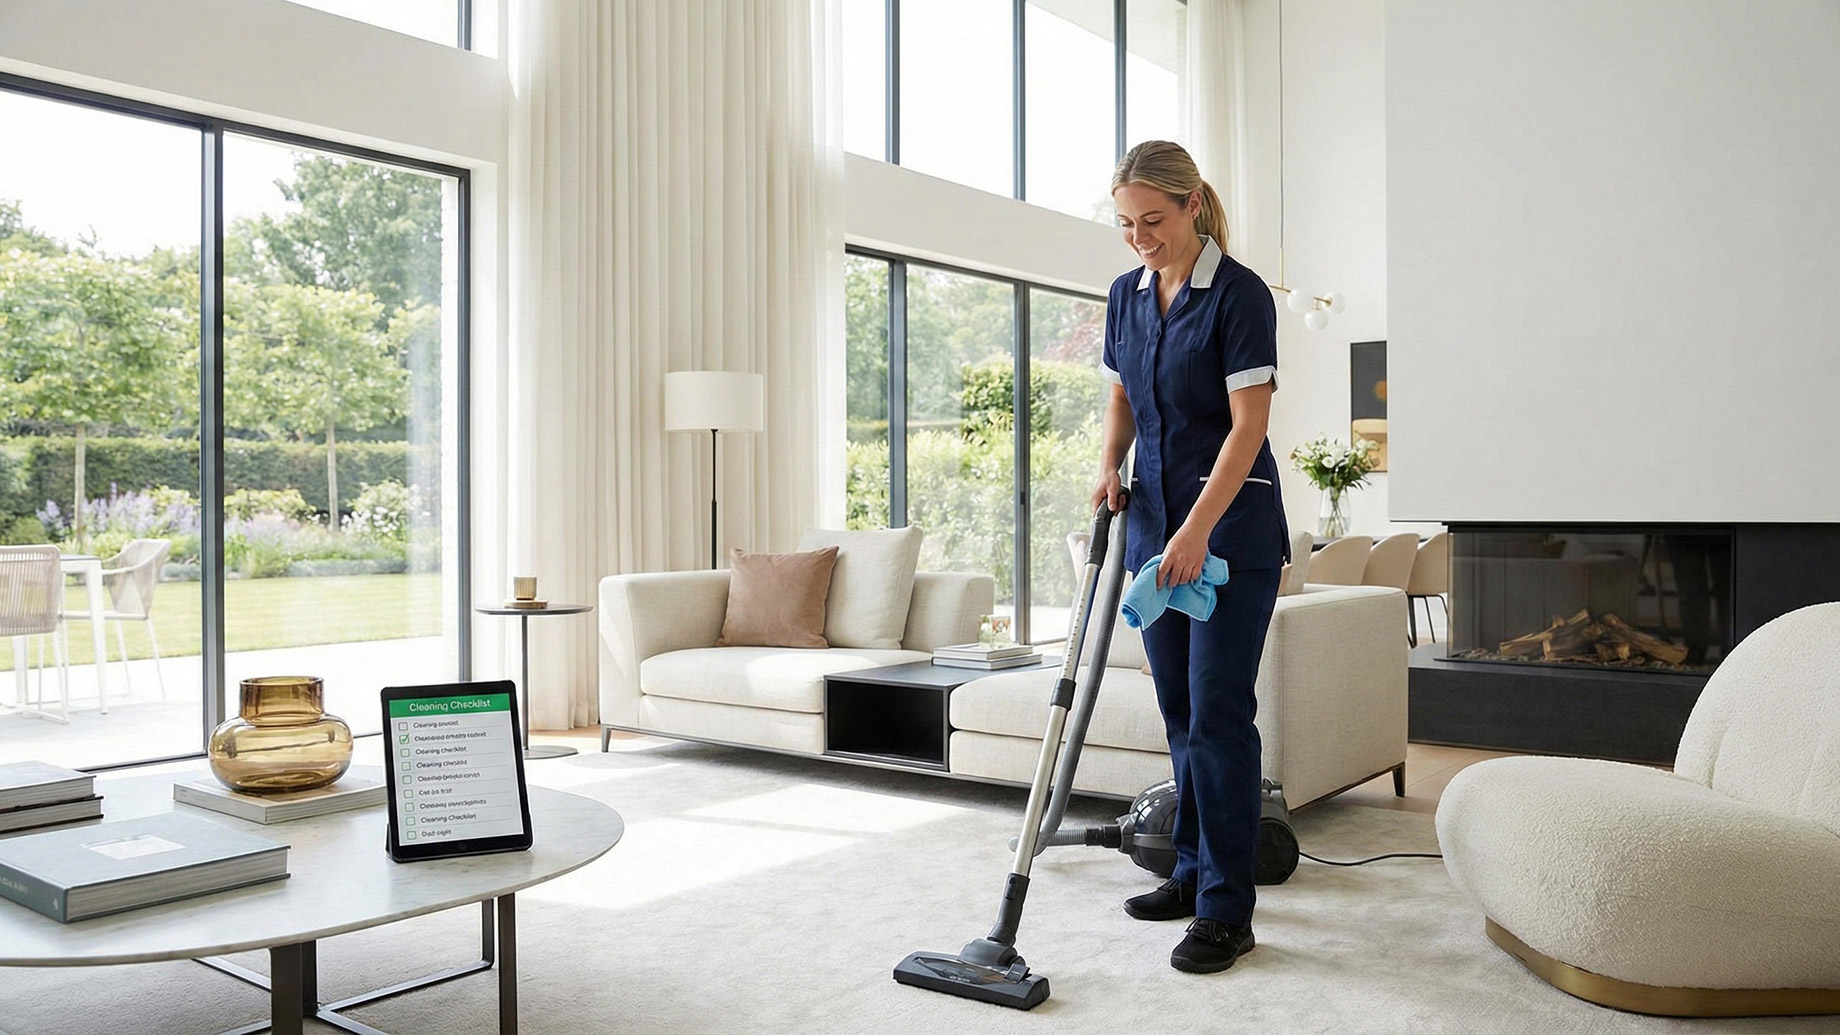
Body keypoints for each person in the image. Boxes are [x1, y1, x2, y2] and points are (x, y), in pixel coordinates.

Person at [1091, 140, 1289, 974]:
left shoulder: (1238, 294)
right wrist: (1108, 461)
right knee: (1177, 709)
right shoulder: (1126, 295)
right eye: (1127, 223)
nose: (1140, 236)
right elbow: (1123, 391)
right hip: (1156, 534)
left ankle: (1226, 910)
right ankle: (1188, 867)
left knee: (1217, 712)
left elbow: (1250, 425)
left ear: (1194, 204)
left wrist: (1199, 526)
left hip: (1228, 538)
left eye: (1154, 220)